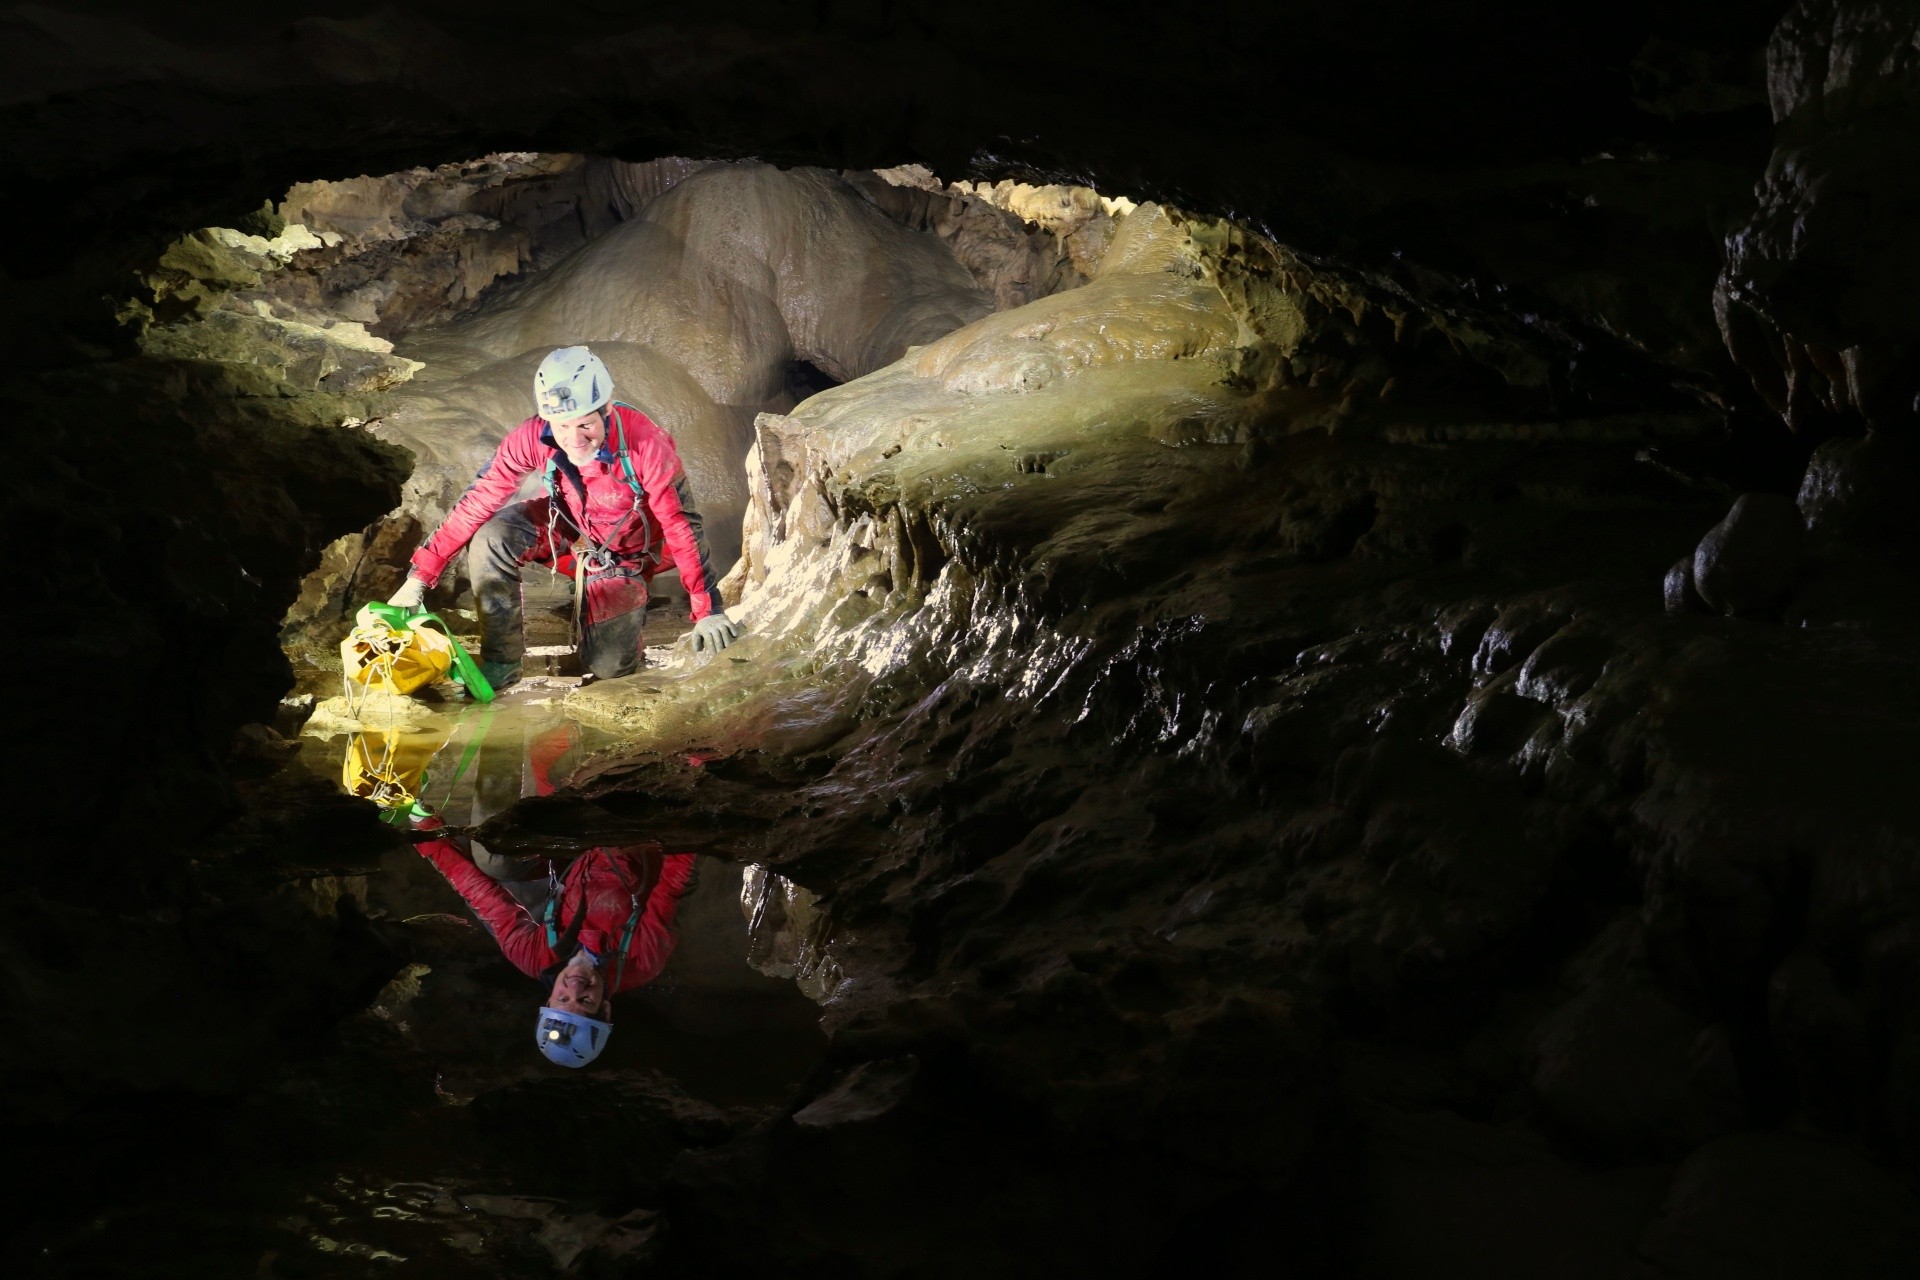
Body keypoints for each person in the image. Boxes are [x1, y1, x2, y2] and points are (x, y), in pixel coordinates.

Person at [387, 345, 740, 690]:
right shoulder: (532, 436)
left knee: (608, 670)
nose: (574, 439)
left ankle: (617, 619)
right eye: (561, 426)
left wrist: (707, 608)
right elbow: (478, 499)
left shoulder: (646, 445)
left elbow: (682, 526)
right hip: (567, 529)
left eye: (585, 424)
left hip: (625, 555)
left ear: (607, 409)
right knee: (492, 536)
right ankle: (502, 661)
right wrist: (421, 576)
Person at [411, 810, 697, 1068]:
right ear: (605, 1008)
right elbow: (671, 883)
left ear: (549, 999)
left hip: (572, 852)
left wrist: (424, 830)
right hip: (634, 841)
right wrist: (688, 819)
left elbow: (480, 893)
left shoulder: (533, 957)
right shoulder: (641, 961)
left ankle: (523, 768)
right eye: (585, 1001)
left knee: (494, 860)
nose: (575, 986)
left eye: (562, 998)